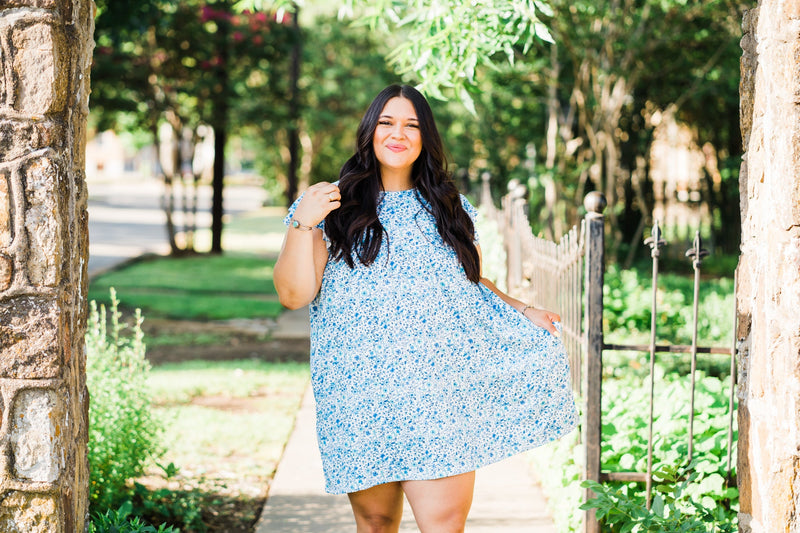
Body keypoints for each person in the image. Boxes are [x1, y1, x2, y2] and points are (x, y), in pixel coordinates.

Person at [273, 84, 578, 533]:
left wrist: (520, 308)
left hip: (439, 388)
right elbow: (294, 295)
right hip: (360, 389)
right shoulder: (330, 205)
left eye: (412, 125)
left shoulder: (450, 207)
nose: (399, 134)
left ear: (426, 138)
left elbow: (467, 284)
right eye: (387, 123)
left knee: (443, 523)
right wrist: (303, 224)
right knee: (376, 523)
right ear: (370, 131)